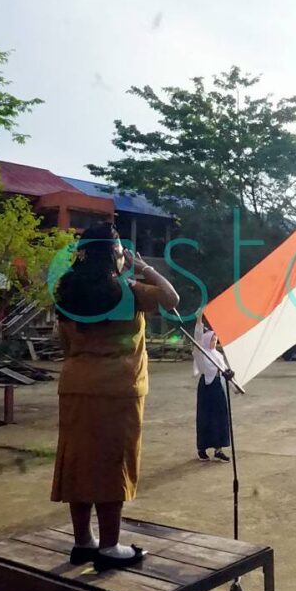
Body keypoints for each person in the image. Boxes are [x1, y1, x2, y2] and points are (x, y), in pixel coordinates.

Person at [52, 223, 179, 569]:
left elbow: (62, 343)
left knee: (78, 462)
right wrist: (146, 267)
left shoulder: (66, 291)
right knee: (112, 463)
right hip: (118, 391)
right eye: (121, 252)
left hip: (76, 385)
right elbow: (172, 298)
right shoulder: (129, 291)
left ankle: (83, 543)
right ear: (113, 254)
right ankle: (109, 548)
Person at [193, 320, 233, 462]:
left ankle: (218, 449)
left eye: (215, 339)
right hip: (206, 388)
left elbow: (224, 370)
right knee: (205, 417)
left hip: (217, 386)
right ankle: (202, 449)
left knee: (220, 417)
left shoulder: (218, 355)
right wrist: (198, 321)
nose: (214, 342)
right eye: (212, 339)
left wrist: (230, 376)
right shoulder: (200, 352)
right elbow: (197, 337)